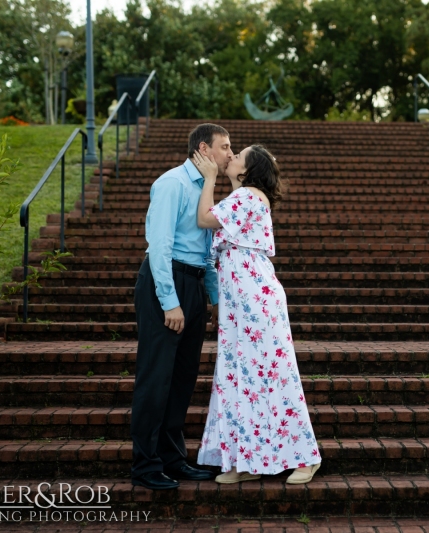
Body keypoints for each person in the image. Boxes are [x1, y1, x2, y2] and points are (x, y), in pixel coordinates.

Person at [192, 144, 321, 485]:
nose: (230, 157)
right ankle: (247, 460)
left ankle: (307, 457)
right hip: (239, 301)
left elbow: (204, 218)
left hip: (256, 299)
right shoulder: (240, 197)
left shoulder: (248, 195)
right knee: (240, 379)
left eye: (238, 156)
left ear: (248, 172)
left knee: (275, 375)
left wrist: (208, 178)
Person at [130, 123, 233, 490]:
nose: (230, 155)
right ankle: (145, 465)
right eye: (224, 147)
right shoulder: (171, 183)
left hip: (192, 284)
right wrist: (169, 301)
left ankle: (173, 459)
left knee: (183, 377)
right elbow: (158, 247)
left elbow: (206, 253)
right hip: (166, 283)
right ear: (205, 148)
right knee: (156, 377)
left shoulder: (206, 190)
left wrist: (215, 298)